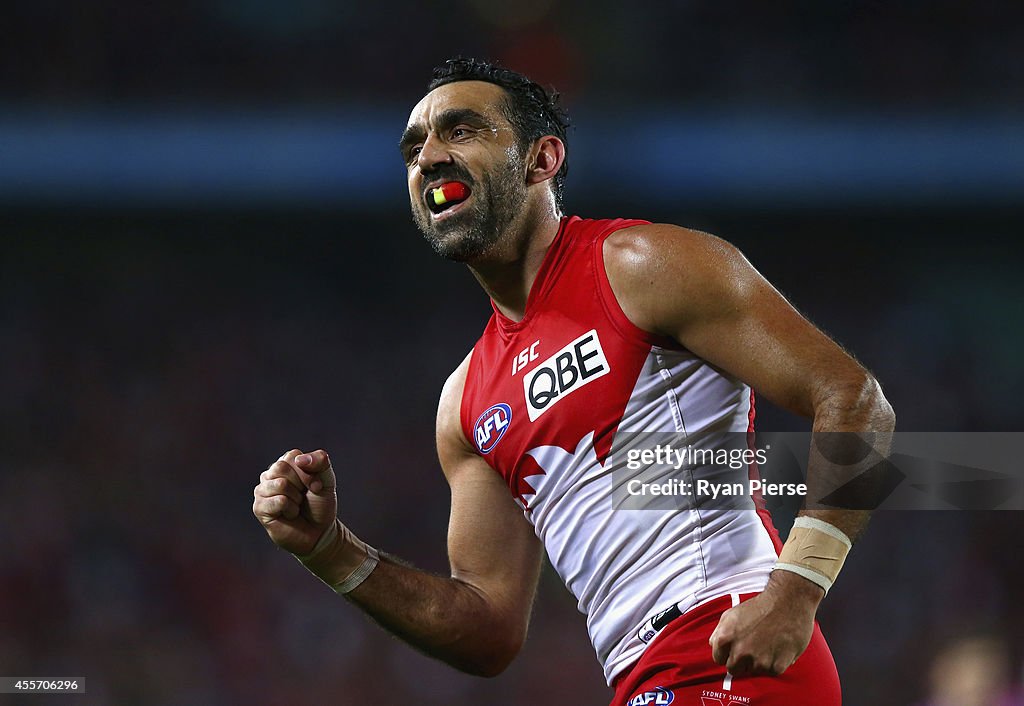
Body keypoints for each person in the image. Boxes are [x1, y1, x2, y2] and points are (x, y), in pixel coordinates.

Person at [252, 57, 895, 705]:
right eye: (414, 148)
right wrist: (332, 553)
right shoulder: (466, 401)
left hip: (725, 645)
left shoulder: (643, 266)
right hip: (644, 678)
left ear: (541, 161)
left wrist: (796, 590)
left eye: (462, 130)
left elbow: (854, 401)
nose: (430, 157)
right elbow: (487, 631)